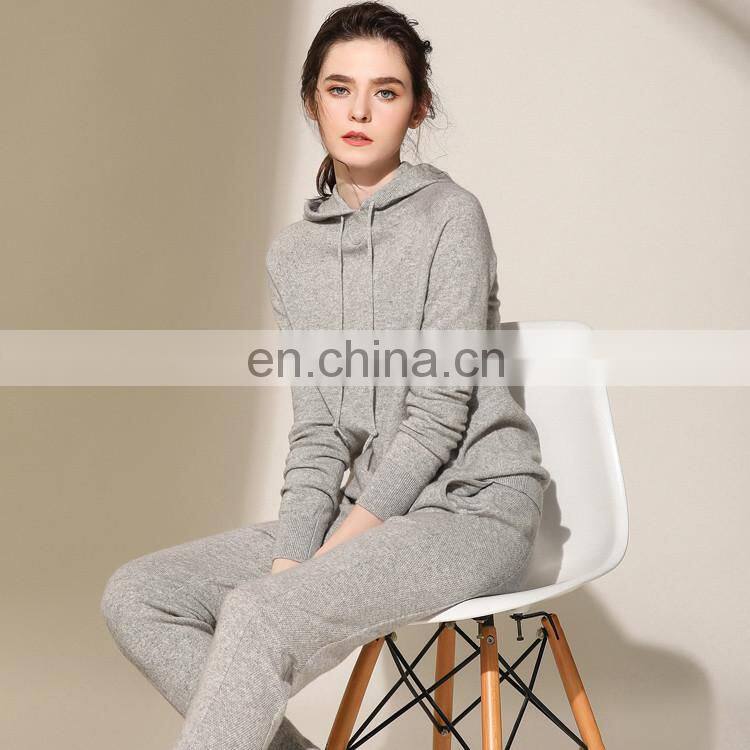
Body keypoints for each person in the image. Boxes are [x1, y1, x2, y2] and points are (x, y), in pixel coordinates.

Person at [99, 3, 551, 749]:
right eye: (340, 89)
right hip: (364, 506)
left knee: (260, 612)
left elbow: (440, 412)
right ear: (312, 100)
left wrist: (323, 559)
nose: (360, 111)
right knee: (140, 594)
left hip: (472, 511)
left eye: (386, 91)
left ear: (418, 108)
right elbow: (318, 431)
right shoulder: (293, 255)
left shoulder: (451, 217)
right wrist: (291, 557)